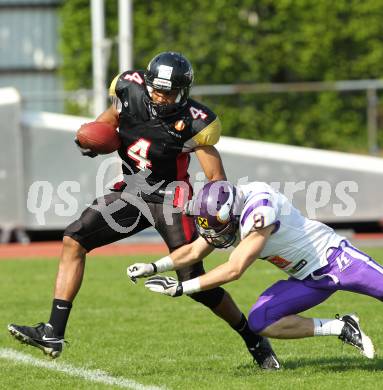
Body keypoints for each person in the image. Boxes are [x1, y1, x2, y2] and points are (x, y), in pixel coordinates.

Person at [8, 52, 279, 369]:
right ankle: (53, 331)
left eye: (169, 92)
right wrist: (92, 140)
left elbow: (217, 178)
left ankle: (253, 338)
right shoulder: (129, 88)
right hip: (133, 192)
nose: (161, 98)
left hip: (172, 199)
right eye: (157, 90)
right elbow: (105, 125)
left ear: (183, 91)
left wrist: (216, 210)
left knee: (195, 283)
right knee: (73, 239)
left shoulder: (195, 121)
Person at [128, 180, 383, 362]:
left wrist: (183, 287)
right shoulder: (229, 213)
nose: (218, 237)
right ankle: (341, 327)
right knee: (262, 321)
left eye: (222, 229)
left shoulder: (260, 209)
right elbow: (194, 251)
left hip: (337, 259)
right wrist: (154, 266)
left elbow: (235, 269)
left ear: (233, 213)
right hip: (306, 280)